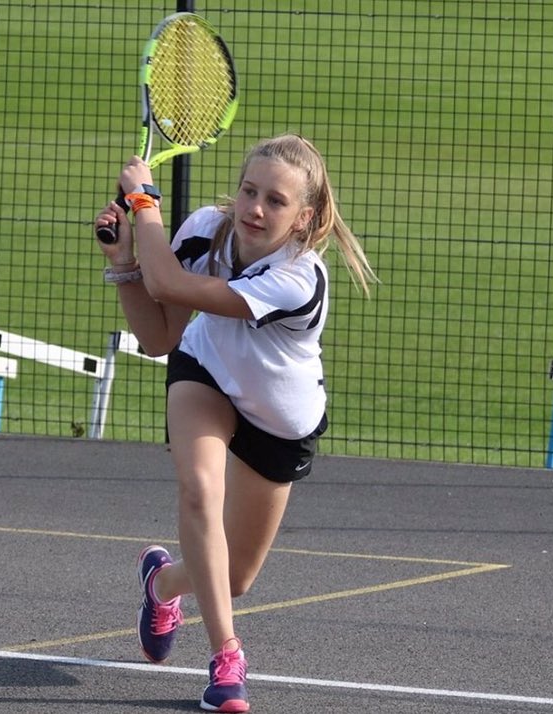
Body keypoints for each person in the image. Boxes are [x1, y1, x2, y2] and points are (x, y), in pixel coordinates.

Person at [94, 133, 376, 712]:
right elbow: (159, 335)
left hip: (279, 423)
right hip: (207, 375)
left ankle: (163, 584)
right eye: (250, 190)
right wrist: (124, 262)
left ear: (306, 217)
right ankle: (227, 656)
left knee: (235, 576)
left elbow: (170, 282)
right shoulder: (202, 229)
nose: (255, 208)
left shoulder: (301, 279)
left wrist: (143, 204)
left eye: (275, 200)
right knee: (199, 489)